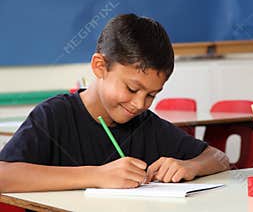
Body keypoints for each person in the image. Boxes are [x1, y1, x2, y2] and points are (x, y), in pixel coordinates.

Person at [0, 14, 229, 192]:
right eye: (131, 88)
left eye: (151, 95)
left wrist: (191, 166)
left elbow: (219, 158)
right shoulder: (54, 115)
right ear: (100, 66)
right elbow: (3, 175)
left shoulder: (146, 125)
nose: (140, 104)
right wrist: (98, 175)